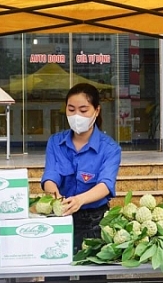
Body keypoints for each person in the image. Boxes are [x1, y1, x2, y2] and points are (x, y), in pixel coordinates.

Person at [41, 83, 121, 252]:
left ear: (97, 111)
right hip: (60, 214)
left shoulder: (110, 148)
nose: (76, 115)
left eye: (83, 110)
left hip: (94, 220)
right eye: (71, 109)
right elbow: (50, 176)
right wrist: (57, 200)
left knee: (92, 275)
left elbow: (105, 184)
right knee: (56, 273)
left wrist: (80, 200)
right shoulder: (55, 142)